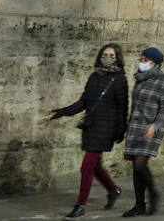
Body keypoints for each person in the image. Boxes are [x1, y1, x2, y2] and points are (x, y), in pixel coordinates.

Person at [49, 43, 129, 219]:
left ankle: (80, 205)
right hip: (91, 127)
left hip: (106, 129)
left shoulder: (120, 79)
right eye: (105, 54)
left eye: (112, 55)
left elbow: (123, 107)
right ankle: (113, 190)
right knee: (95, 165)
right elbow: (83, 101)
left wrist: (121, 130)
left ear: (117, 59)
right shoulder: (94, 76)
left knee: (86, 166)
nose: (107, 57)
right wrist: (64, 111)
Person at [122, 46, 164, 217]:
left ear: (154, 62)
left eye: (145, 60)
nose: (141, 62)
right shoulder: (140, 78)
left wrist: (155, 125)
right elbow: (134, 105)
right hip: (135, 128)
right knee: (135, 168)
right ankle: (139, 204)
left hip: (150, 128)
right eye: (141, 59)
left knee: (140, 164)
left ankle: (154, 194)